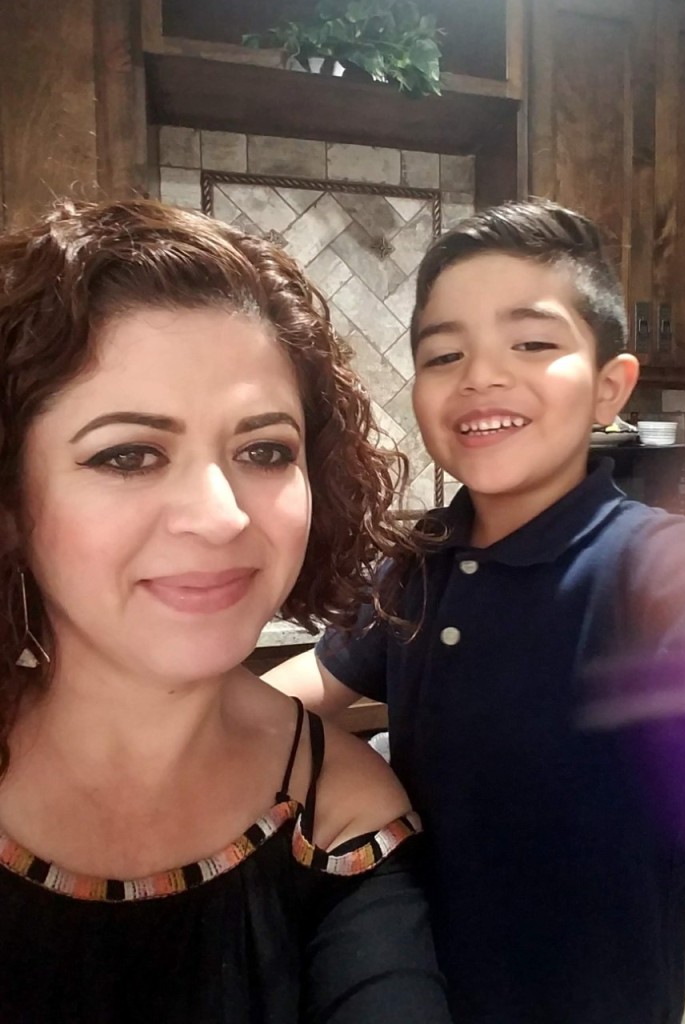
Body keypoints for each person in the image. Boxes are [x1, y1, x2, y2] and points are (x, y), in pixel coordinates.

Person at [266, 200, 685, 1023]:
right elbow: (313, 681)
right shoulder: (420, 560)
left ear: (609, 388)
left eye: (532, 344)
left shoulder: (654, 561)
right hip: (426, 985)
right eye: (444, 354)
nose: (481, 375)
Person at [0, 198, 452, 1024]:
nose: (221, 516)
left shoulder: (342, 815)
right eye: (129, 455)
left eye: (264, 450)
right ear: (12, 501)